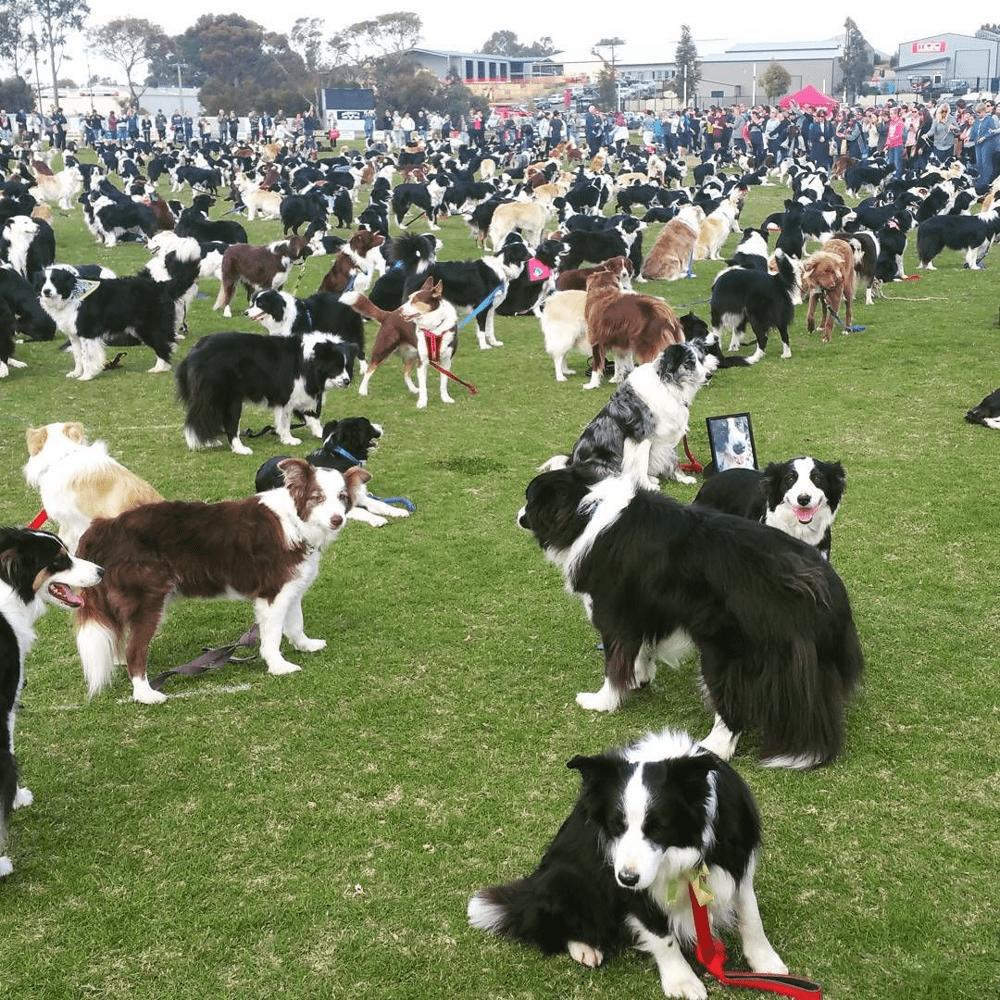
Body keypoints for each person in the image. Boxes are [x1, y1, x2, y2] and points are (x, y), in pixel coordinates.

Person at [884, 105, 905, 178]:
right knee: (891, 162)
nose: (891, 115)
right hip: (891, 146)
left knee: (897, 163)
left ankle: (897, 178)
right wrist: (887, 142)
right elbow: (889, 134)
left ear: (896, 114)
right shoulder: (891, 122)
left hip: (898, 145)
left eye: (892, 114)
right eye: (890, 114)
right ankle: (891, 177)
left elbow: (899, 135)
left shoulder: (900, 122)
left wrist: (891, 141)